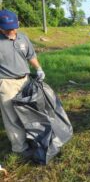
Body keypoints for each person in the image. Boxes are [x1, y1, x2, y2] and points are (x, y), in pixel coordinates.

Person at [0, 10, 46, 155]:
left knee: (30, 111)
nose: (11, 31)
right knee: (11, 116)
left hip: (26, 80)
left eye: (13, 27)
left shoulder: (23, 38)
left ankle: (34, 139)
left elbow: (30, 55)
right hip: (6, 83)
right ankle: (20, 147)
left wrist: (38, 69)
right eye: (6, 29)